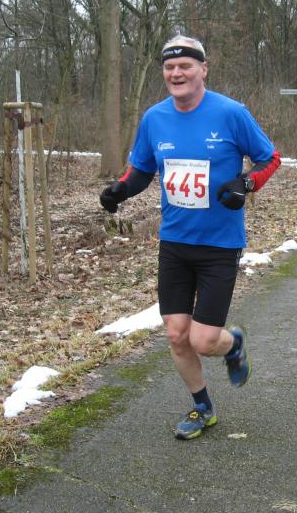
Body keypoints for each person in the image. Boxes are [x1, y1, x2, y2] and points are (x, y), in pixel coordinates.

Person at [99, 35, 280, 440]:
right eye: (170, 67)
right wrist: (120, 190)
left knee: (203, 340)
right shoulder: (154, 118)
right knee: (176, 334)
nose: (176, 73)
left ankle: (232, 344)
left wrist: (245, 184)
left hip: (219, 245)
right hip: (175, 243)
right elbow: (141, 169)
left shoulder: (231, 113)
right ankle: (203, 408)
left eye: (185, 66)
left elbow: (270, 158)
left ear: (203, 70)